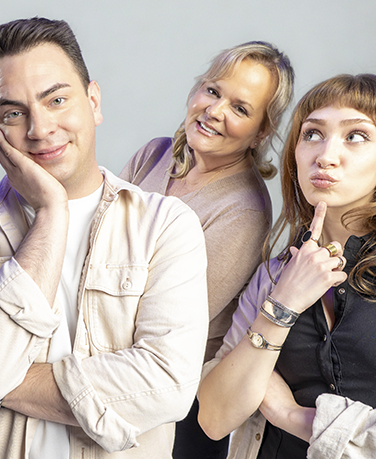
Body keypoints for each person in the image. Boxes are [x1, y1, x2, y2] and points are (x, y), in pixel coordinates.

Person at [0, 17, 209, 459]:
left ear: (93, 102)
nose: (40, 129)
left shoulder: (166, 225)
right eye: (13, 114)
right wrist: (51, 212)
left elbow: (169, 387)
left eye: (57, 100)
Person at [197, 73, 376, 458]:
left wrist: (294, 417)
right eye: (312, 134)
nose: (325, 155)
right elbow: (215, 418)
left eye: (356, 136)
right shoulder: (273, 275)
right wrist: (282, 305)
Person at [119, 41, 294, 459]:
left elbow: (165, 320)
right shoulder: (153, 154)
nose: (214, 111)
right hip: (108, 372)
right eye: (212, 91)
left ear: (261, 132)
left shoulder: (244, 209)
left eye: (240, 109)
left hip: (174, 408)